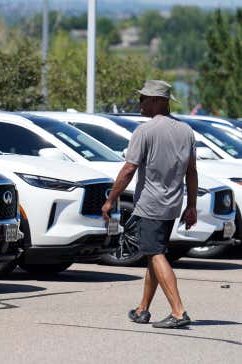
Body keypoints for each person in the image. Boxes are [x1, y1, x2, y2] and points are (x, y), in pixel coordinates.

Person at [101, 80, 197, 329]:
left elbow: (129, 168)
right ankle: (143, 309)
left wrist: (111, 199)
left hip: (151, 204)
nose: (140, 103)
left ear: (157, 101)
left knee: (155, 253)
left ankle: (178, 311)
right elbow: (192, 172)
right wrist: (192, 206)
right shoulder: (186, 131)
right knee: (155, 254)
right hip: (173, 204)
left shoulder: (144, 131)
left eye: (144, 98)